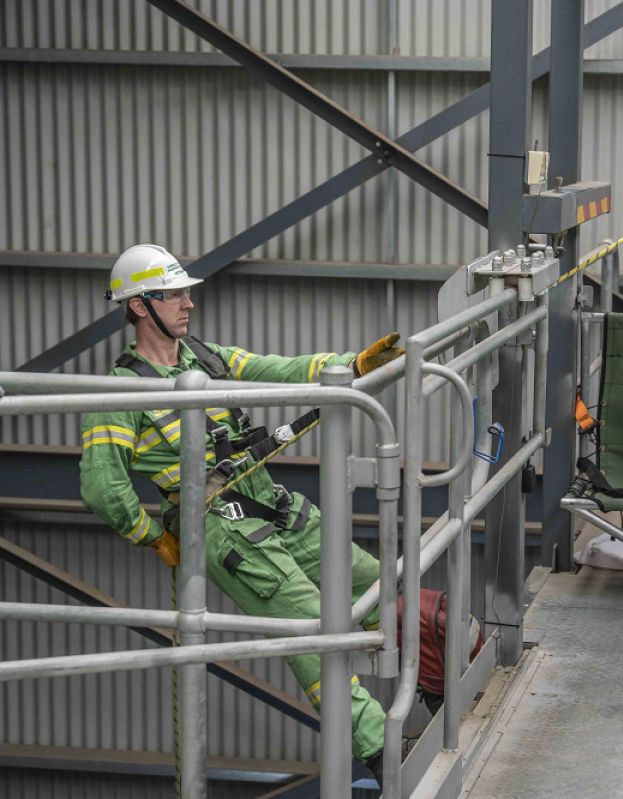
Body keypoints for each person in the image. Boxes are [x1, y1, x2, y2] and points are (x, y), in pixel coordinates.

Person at [79, 244, 404, 783]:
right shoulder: (120, 393)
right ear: (140, 306)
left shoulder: (203, 359)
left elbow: (278, 368)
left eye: (187, 293)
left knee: (376, 579)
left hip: (269, 504)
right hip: (221, 530)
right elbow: (101, 484)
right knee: (311, 628)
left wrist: (349, 366)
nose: (188, 304)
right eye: (176, 294)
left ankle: (428, 676)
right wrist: (153, 536)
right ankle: (381, 749)